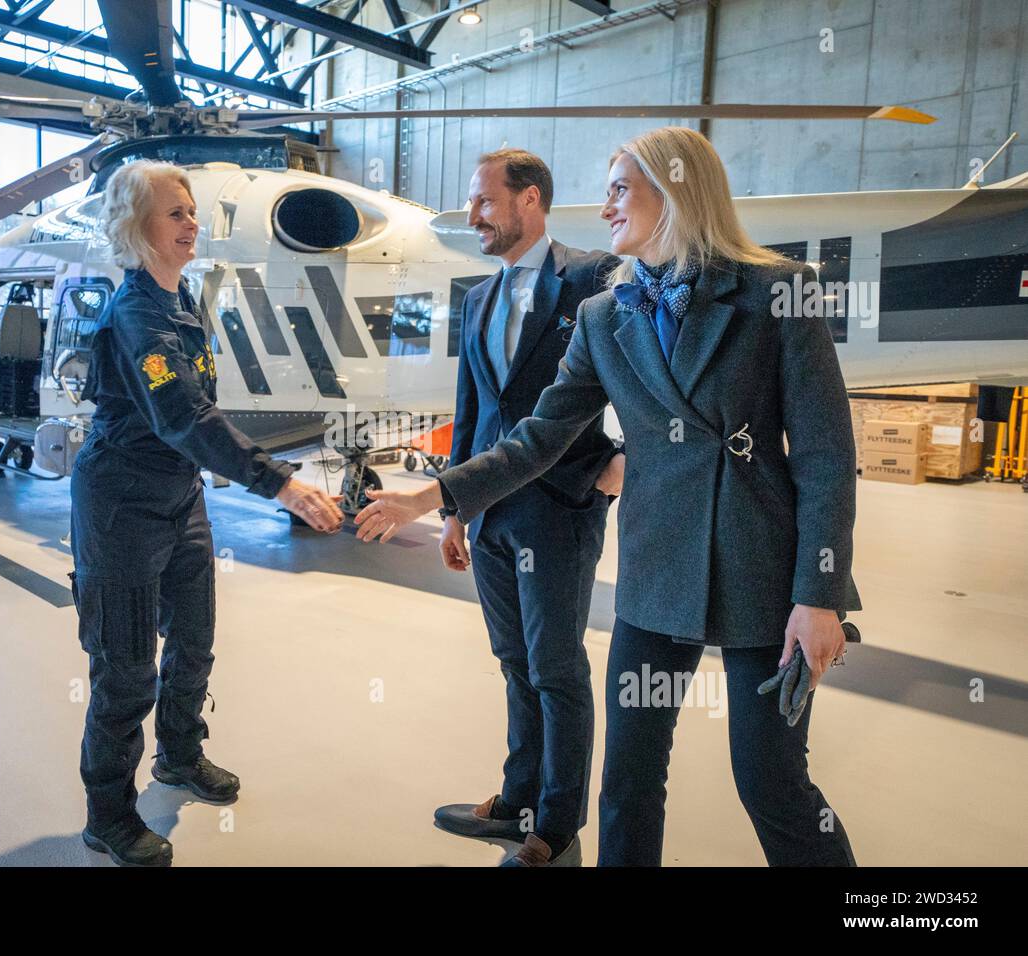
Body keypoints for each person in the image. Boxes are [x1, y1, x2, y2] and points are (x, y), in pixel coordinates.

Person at [357, 126, 860, 867]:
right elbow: (538, 437)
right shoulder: (604, 315)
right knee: (626, 785)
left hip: (765, 574)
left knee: (772, 784)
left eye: (621, 188)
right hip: (656, 578)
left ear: (677, 189)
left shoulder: (774, 292)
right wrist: (434, 495)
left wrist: (819, 597)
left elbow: (825, 455)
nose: (606, 208)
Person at [71, 160, 343, 867]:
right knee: (126, 670)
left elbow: (199, 414)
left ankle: (180, 757)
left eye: (192, 212)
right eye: (175, 214)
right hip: (121, 506)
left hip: (180, 498)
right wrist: (278, 482)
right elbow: (183, 414)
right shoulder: (137, 316)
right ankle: (108, 815)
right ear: (138, 228)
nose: (192, 224)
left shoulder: (182, 302)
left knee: (193, 644)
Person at [430, 149, 623, 868]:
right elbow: (474, 407)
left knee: (555, 668)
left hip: (559, 508)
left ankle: (556, 823)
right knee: (513, 662)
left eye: (483, 201)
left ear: (529, 200)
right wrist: (455, 508)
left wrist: (618, 461)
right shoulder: (479, 298)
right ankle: (515, 799)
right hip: (492, 514)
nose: (473, 215)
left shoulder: (592, 277)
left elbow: (629, 380)